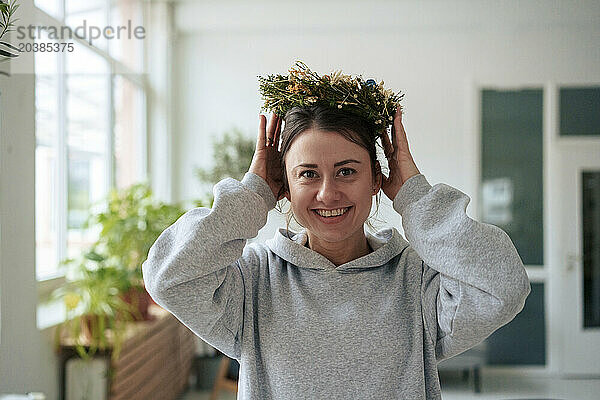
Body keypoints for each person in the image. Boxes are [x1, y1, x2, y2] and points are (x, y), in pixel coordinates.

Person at [142, 66, 530, 399]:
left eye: (347, 171)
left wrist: (414, 195)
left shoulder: (418, 281)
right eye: (308, 174)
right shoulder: (253, 281)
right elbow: (167, 277)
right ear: (284, 185)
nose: (328, 193)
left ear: (376, 179)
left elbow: (504, 285)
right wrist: (252, 194)